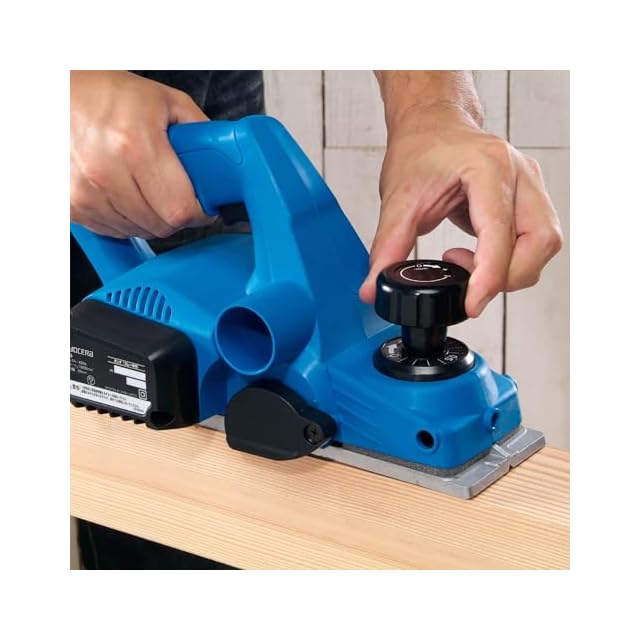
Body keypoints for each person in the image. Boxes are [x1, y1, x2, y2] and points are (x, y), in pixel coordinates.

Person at [70, 70, 562, 568]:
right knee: (154, 531)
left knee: (255, 168)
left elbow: (251, 157)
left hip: (184, 102)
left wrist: (432, 108)